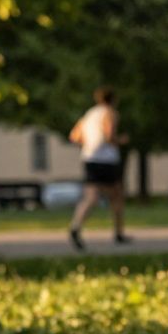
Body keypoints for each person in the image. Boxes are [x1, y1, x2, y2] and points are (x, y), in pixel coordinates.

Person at [67, 86, 130, 250]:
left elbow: (74, 136)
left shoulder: (89, 114)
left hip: (90, 158)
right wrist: (121, 140)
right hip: (107, 160)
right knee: (116, 196)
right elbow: (110, 136)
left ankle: (76, 226)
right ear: (113, 99)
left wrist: (90, 143)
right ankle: (118, 233)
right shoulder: (110, 113)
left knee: (91, 197)